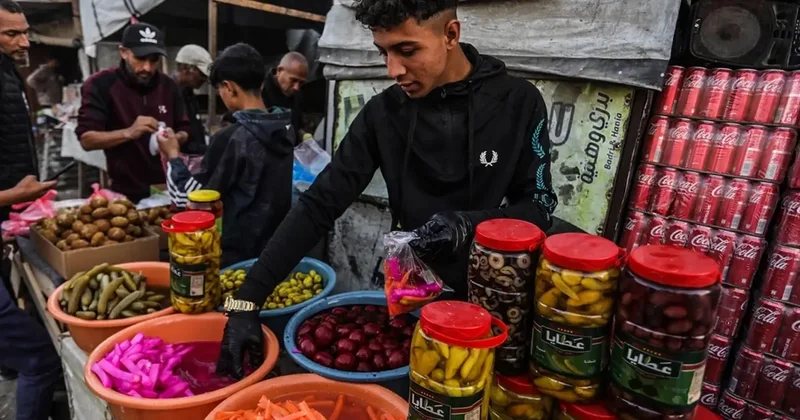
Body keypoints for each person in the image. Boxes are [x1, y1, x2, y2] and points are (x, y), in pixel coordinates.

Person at [216, 0, 557, 379]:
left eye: (407, 50)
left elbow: (539, 206)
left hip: (495, 301)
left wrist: (468, 225)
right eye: (384, 53)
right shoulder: (383, 115)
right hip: (413, 302)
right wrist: (246, 300)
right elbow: (319, 204)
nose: (393, 70)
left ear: (451, 34)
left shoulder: (519, 103)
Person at [158, 43, 294, 267]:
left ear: (229, 88)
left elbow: (188, 201)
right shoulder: (284, 128)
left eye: (220, 89)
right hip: (274, 254)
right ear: (261, 82)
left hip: (237, 260)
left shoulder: (231, 138)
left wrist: (173, 155)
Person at [76, 23, 190, 202]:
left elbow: (185, 128)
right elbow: (87, 140)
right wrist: (129, 132)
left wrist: (175, 138)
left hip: (168, 189)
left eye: (154, 60)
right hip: (125, 194)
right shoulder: (101, 84)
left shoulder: (169, 86)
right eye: (140, 58)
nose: (147, 68)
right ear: (123, 52)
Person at [174, 44, 213, 156]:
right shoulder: (169, 94)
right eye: (202, 74)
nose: (204, 79)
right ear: (185, 68)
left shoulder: (190, 95)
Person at [262, 51, 307, 141]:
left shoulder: (297, 96)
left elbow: (297, 126)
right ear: (279, 71)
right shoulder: (260, 92)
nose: (296, 87)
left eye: (301, 83)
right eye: (293, 80)